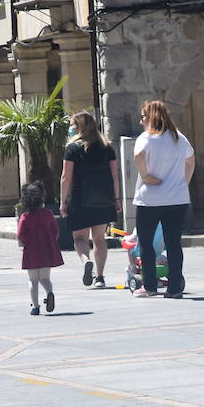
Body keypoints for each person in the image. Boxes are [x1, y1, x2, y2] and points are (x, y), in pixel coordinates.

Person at [133, 100, 195, 299]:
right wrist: (184, 181)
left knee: (146, 243)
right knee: (173, 243)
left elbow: (138, 155)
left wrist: (145, 176)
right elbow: (191, 160)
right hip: (177, 199)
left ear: (150, 118)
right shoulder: (179, 138)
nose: (141, 121)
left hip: (150, 199)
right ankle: (175, 287)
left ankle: (149, 285)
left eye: (143, 117)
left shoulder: (146, 138)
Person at [59, 111, 120, 287]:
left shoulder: (72, 148)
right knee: (100, 239)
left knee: (79, 238)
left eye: (72, 125)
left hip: (79, 198)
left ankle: (86, 261)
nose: (70, 128)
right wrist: (116, 198)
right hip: (103, 199)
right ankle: (100, 277)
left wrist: (63, 202)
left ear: (79, 127)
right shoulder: (107, 147)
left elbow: (66, 177)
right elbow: (114, 175)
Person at [17, 182, 63, 315]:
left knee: (33, 280)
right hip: (46, 251)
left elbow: (20, 235)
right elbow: (56, 231)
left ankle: (35, 307)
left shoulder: (25, 217)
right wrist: (50, 242)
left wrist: (27, 243)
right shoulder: (48, 214)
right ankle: (49, 292)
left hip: (31, 251)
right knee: (45, 279)